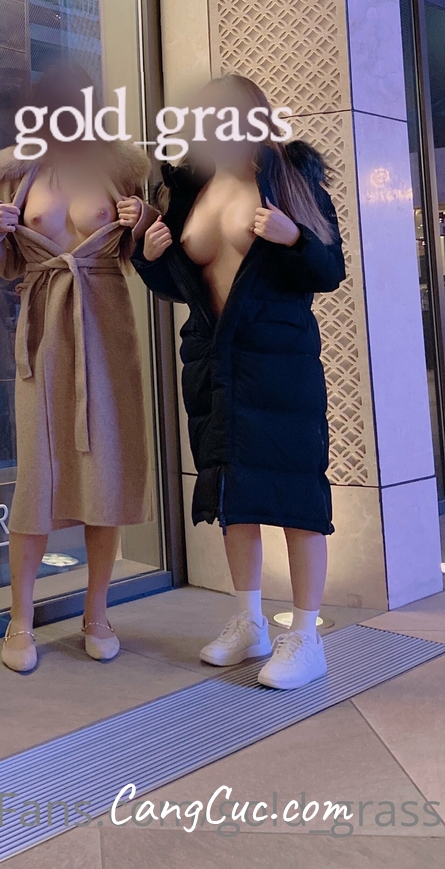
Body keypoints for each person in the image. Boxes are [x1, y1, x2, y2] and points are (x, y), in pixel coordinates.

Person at [120, 74, 345, 690]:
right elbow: (177, 286)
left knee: (298, 497)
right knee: (232, 496)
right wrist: (151, 253)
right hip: (211, 364)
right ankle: (249, 622)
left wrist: (294, 237)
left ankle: (306, 636)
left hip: (279, 362)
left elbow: (329, 268)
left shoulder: (288, 175)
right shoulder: (191, 186)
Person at [0, 63, 152, 673]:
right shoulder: (16, 174)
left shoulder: (122, 171)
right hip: (44, 328)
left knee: (105, 470)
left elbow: (142, 253)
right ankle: (20, 619)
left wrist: (141, 221)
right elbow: (4, 263)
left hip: (106, 326)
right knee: (37, 475)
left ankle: (97, 612)